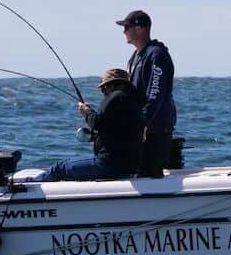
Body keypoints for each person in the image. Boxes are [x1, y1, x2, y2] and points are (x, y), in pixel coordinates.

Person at [37, 68, 143, 181]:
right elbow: (112, 128)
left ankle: (29, 184)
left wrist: (86, 112)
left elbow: (97, 123)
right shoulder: (132, 101)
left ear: (119, 84)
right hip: (127, 166)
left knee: (60, 167)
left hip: (109, 165)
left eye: (105, 87)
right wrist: (90, 114)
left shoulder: (115, 97)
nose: (103, 91)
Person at [116, 10, 176, 178]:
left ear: (140, 28)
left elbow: (155, 95)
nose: (124, 31)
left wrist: (143, 124)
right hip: (140, 129)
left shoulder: (157, 56)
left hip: (154, 131)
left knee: (148, 176)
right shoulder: (135, 56)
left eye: (127, 27)